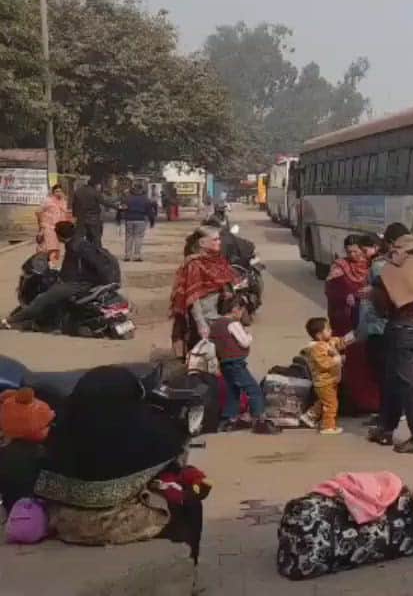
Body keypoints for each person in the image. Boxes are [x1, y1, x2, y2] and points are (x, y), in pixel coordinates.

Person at [34, 366, 192, 548]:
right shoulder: (144, 434)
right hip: (118, 523)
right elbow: (174, 447)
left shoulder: (62, 433)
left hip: (66, 524)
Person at [368, 234, 413, 454]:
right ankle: (385, 429)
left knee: (407, 386)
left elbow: (381, 306)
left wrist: (371, 294)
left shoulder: (391, 271)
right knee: (394, 381)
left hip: (401, 330)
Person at [2, 222, 119, 330]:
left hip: (76, 284)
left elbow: (76, 268)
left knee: (41, 299)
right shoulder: (80, 242)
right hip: (87, 281)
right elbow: (75, 266)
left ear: (60, 235)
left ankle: (10, 321)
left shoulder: (74, 247)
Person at [356, 224, 411, 427]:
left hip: (380, 327)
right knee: (393, 371)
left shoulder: (380, 266)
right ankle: (391, 412)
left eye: (364, 250)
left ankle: (388, 415)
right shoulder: (411, 263)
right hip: (400, 325)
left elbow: (377, 302)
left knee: (384, 372)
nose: (362, 255)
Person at [208, 295, 278, 434]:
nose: (241, 315)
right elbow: (244, 341)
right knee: (254, 390)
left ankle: (229, 419)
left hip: (224, 363)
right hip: (236, 363)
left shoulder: (215, 324)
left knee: (233, 391)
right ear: (235, 310)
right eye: (241, 311)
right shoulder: (232, 324)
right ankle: (260, 420)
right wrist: (249, 335)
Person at [325, 234, 376, 414]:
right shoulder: (339, 267)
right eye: (349, 252)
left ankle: (371, 402)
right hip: (345, 321)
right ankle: (353, 401)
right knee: (348, 361)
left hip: (366, 320)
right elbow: (331, 289)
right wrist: (346, 296)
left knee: (368, 360)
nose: (353, 255)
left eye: (356, 251)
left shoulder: (372, 265)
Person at [169, 225, 236, 359]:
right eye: (215, 240)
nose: (219, 242)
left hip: (217, 316)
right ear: (202, 243)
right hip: (203, 320)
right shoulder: (195, 264)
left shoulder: (218, 260)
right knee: (202, 360)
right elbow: (193, 298)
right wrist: (201, 325)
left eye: (219, 239)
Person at [300, 317, 351, 435]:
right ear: (319, 335)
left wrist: (350, 337)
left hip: (330, 381)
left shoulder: (327, 342)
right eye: (327, 329)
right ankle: (328, 426)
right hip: (324, 382)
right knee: (332, 404)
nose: (331, 331)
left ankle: (309, 416)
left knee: (323, 402)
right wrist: (338, 359)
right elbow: (324, 364)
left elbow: (338, 342)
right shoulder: (317, 348)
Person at [117, 182, 157, 262]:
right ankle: (137, 256)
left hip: (129, 219)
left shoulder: (127, 198)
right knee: (138, 238)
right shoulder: (145, 199)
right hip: (140, 220)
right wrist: (152, 221)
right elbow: (150, 212)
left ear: (133, 189)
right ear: (141, 189)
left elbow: (121, 209)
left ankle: (127, 256)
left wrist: (118, 219)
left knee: (128, 238)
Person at [71, 176, 114, 248]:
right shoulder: (95, 192)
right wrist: (118, 207)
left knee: (80, 238)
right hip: (93, 219)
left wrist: (75, 215)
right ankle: (97, 253)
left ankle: (80, 253)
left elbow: (74, 204)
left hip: (81, 219)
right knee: (96, 238)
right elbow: (104, 202)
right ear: (96, 185)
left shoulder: (78, 191)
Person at [35, 185, 69, 267]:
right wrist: (41, 226)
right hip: (48, 227)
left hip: (58, 228)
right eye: (56, 191)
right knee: (48, 247)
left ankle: (50, 264)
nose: (58, 193)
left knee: (55, 247)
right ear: (53, 192)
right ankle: (45, 264)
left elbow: (64, 214)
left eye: (60, 191)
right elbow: (38, 212)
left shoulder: (63, 201)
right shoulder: (47, 201)